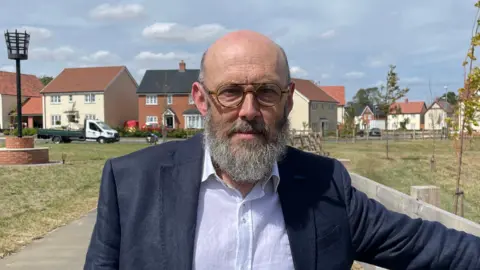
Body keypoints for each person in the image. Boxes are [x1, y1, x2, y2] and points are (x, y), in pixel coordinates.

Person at [83, 30, 480, 270]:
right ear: (201, 100)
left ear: (289, 100)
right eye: (231, 92)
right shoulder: (130, 185)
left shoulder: (326, 187)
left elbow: (427, 247)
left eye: (267, 92)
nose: (250, 111)